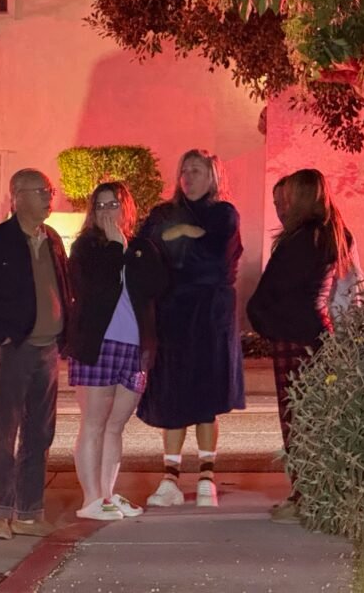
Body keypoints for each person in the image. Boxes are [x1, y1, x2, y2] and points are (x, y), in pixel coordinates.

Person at [0, 168, 72, 540]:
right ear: (17, 197)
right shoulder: (1, 241)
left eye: (49, 190)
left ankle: (29, 512)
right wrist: (1, 336)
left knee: (40, 433)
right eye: (41, 191)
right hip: (15, 350)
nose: (48, 197)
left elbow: (63, 286)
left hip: (48, 350)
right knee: (5, 432)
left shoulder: (51, 239)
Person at [136, 149, 245, 508]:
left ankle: (206, 478)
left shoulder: (223, 213)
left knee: (206, 399)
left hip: (210, 318)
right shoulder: (163, 213)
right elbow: (146, 251)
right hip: (171, 315)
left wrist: (180, 236)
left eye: (197, 170)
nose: (189, 177)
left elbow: (217, 262)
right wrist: (188, 232)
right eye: (184, 171)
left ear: (213, 176)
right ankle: (170, 478)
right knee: (173, 397)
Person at [246, 168, 355, 523]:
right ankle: (318, 493)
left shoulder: (300, 240)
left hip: (293, 335)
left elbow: (272, 290)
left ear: (303, 197)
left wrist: (262, 321)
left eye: (288, 197)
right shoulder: (331, 234)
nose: (283, 205)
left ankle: (305, 497)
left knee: (295, 419)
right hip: (317, 331)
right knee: (315, 418)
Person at [64, 182, 168, 520]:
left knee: (115, 425)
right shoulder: (85, 247)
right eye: (100, 205)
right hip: (98, 343)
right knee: (94, 422)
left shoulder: (142, 247)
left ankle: (107, 494)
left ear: (127, 209)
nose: (107, 211)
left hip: (134, 345)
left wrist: (125, 248)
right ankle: (91, 499)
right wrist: (112, 247)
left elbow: (156, 287)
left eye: (114, 204)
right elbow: (93, 287)